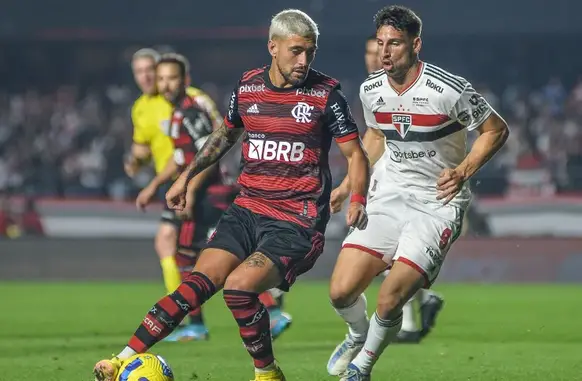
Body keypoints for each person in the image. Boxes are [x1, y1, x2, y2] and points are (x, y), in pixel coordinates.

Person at [93, 9, 370, 381]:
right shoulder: (249, 88)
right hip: (246, 209)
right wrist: (186, 178)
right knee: (195, 282)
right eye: (296, 51)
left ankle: (267, 373)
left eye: (311, 52)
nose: (304, 61)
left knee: (238, 289)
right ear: (273, 46)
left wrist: (356, 200)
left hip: (296, 222)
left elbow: (357, 155)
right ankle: (122, 358)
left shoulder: (326, 96)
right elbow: (222, 137)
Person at [326, 5, 509, 380]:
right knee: (340, 292)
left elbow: (495, 129)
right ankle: (357, 335)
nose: (385, 52)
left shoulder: (447, 89)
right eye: (381, 43)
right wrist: (349, 184)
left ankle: (362, 367)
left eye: (394, 43)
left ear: (416, 44)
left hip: (436, 203)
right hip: (390, 192)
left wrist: (462, 171)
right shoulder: (371, 89)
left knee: (390, 298)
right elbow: (375, 136)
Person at [126, 48, 292, 341]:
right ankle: (264, 309)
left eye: (171, 79)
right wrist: (154, 185)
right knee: (204, 255)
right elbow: (182, 157)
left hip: (210, 193)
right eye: (161, 79)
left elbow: (208, 155)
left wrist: (189, 191)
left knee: (197, 256)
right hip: (206, 192)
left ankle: (203, 324)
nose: (164, 85)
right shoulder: (179, 111)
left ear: (185, 79)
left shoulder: (191, 111)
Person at [364, 33, 445, 344]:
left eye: (380, 50)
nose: (375, 57)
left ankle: (409, 323)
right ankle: (423, 303)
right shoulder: (371, 90)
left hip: (400, 172)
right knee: (385, 254)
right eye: (371, 52)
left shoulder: (409, 85)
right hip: (377, 172)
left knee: (395, 251)